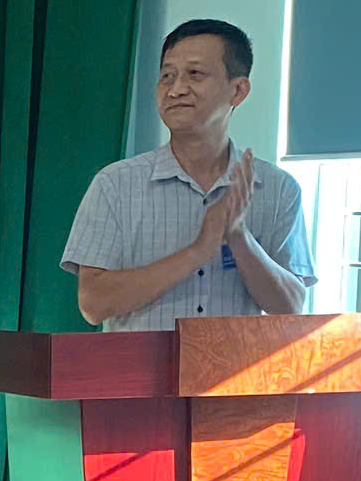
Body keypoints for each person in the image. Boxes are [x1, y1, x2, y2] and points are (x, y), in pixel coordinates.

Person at [65, 18, 315, 329]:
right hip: (141, 363)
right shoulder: (116, 184)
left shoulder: (278, 189)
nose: (176, 90)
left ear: (238, 90)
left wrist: (239, 236)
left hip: (234, 362)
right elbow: (93, 303)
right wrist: (197, 251)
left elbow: (291, 307)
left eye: (194, 74)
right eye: (167, 76)